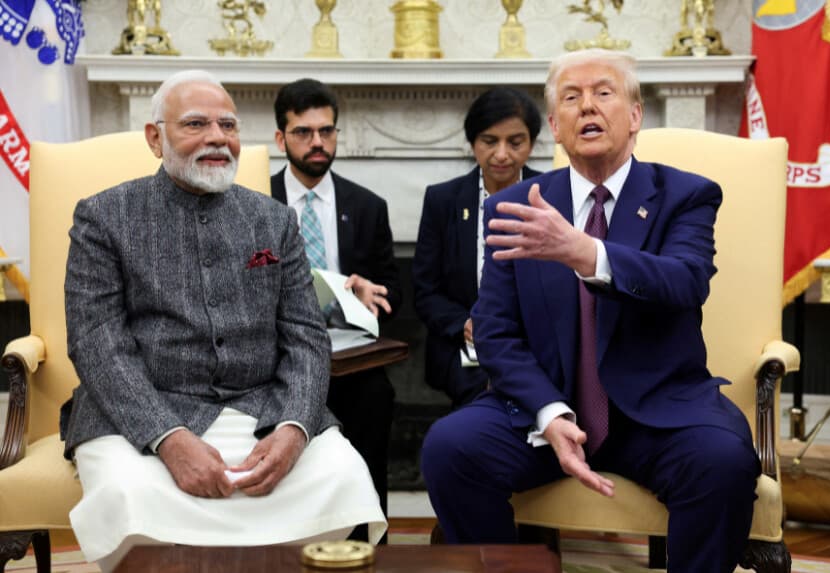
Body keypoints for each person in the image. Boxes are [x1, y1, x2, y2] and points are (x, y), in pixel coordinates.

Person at [421, 49, 760, 573]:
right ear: (556, 126)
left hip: (656, 413)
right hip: (546, 410)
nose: (587, 107)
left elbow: (685, 282)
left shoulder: (685, 195)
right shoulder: (515, 207)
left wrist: (586, 252)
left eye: (603, 93)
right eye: (571, 98)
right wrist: (549, 413)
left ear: (635, 115)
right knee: (449, 448)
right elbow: (494, 331)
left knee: (723, 461)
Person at [61, 70, 385, 572]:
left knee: (341, 475)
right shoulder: (104, 217)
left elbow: (305, 337)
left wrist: (295, 428)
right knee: (130, 494)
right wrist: (167, 437)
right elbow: (97, 343)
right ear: (155, 138)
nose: (217, 138)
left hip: (259, 409)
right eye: (196, 124)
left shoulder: (273, 220)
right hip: (139, 414)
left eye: (228, 126)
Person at [270, 78, 401, 541]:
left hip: (348, 356)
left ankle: (369, 543)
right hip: (275, 357)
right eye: (303, 132)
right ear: (281, 138)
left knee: (376, 397)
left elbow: (393, 296)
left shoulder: (367, 206)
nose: (318, 142)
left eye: (326, 131)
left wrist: (370, 295)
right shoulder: (255, 201)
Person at [412, 87, 543, 408]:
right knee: (484, 396)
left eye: (515, 142)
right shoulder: (443, 200)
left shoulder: (551, 196)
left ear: (532, 143)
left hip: (534, 341)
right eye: (489, 141)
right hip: (465, 345)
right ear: (472, 142)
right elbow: (425, 291)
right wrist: (465, 324)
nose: (502, 154)